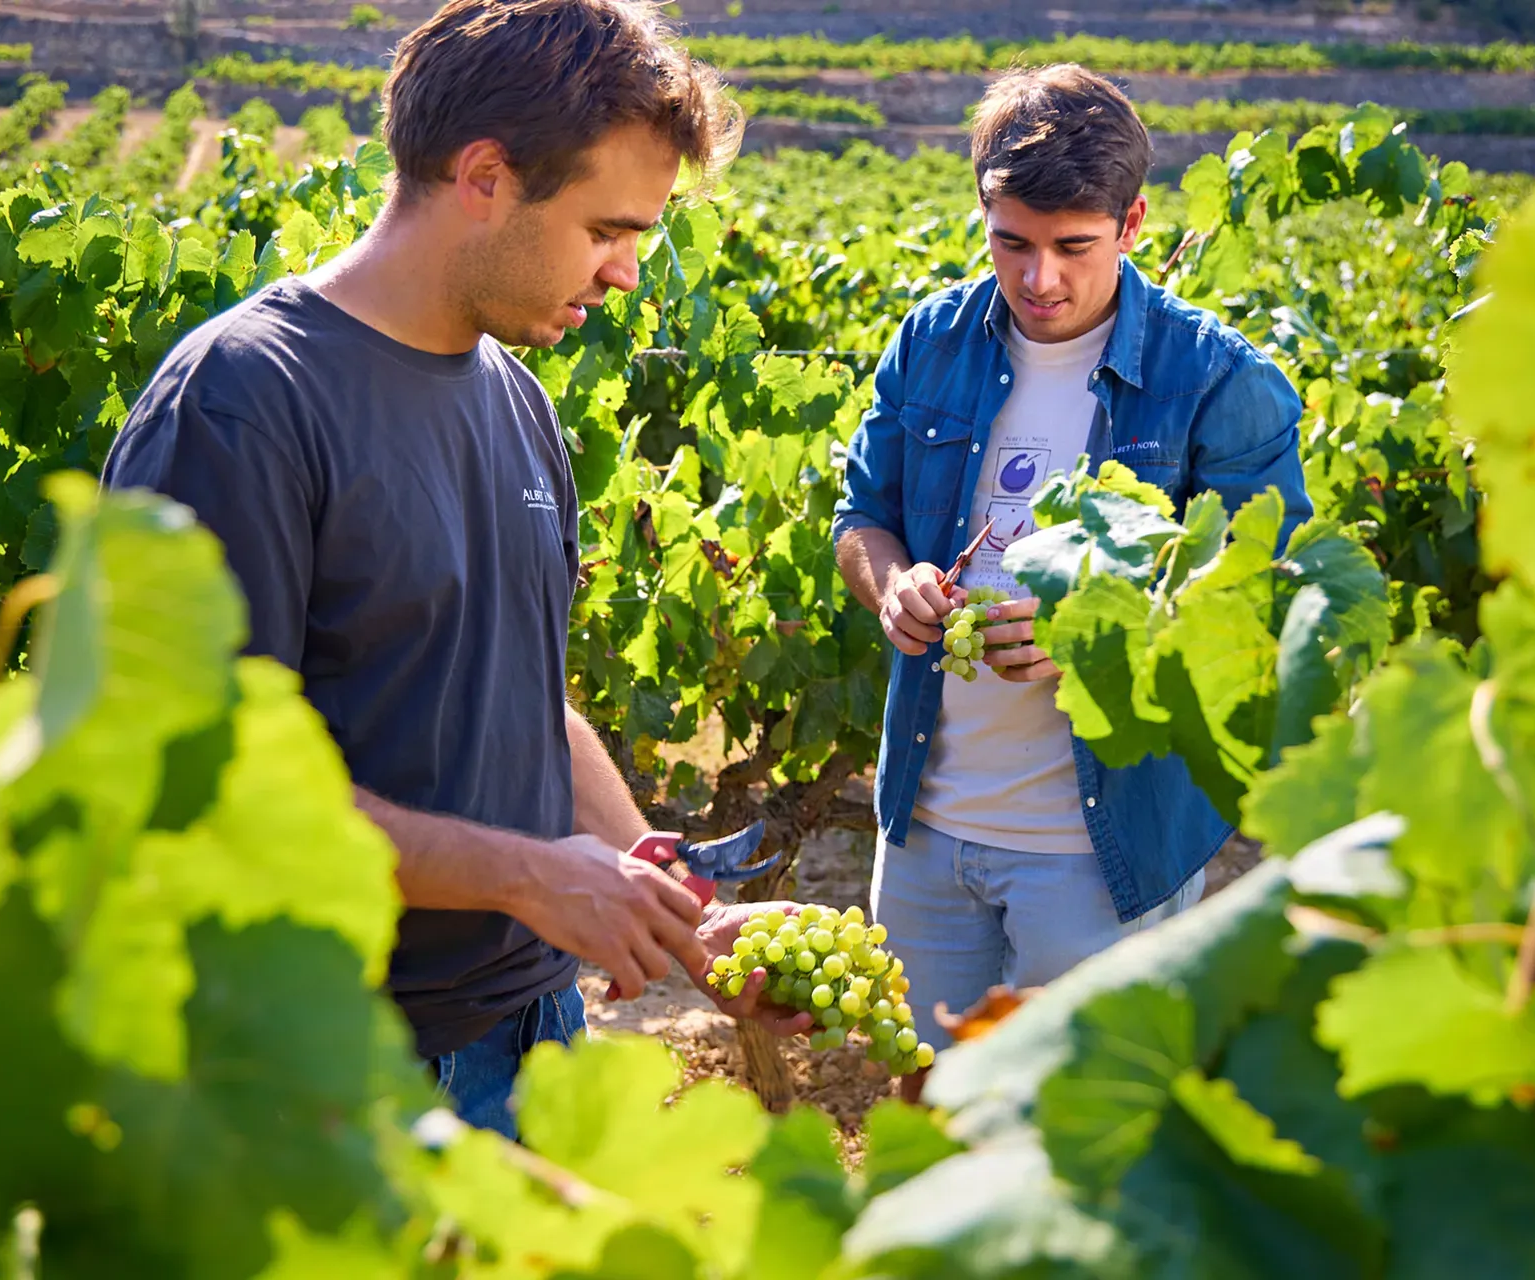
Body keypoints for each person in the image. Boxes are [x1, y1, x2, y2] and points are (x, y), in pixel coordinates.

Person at [101, 0, 808, 1140]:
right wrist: (528, 875)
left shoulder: (516, 399)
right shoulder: (243, 404)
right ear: (484, 175)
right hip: (328, 1070)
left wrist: (667, 899)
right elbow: (202, 784)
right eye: (606, 229)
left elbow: (524, 701)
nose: (628, 274)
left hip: (534, 1029)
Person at [831, 65, 1310, 1082]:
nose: (1039, 279)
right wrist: (895, 586)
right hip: (926, 826)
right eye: (1012, 243)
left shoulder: (1218, 380)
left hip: (1102, 852)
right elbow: (862, 518)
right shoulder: (932, 342)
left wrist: (1096, 641)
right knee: (928, 1105)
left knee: (1071, 1126)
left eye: (1073, 247)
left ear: (1132, 223)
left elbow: (1268, 599)